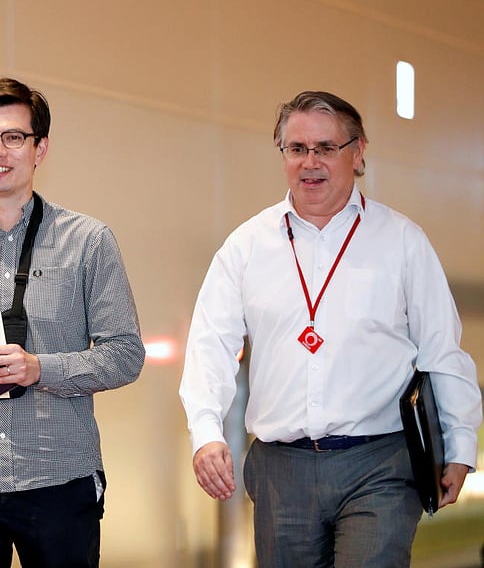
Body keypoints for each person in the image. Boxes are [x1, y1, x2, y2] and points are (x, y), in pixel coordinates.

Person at [179, 91, 482, 567]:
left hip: (379, 463)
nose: (310, 162)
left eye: (326, 148)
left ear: (357, 152)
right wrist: (206, 432)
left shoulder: (402, 241)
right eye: (296, 149)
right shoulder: (246, 246)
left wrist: (461, 442)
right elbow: (209, 345)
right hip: (281, 470)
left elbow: (441, 350)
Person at [0, 77, 145, 568]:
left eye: (14, 137)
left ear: (40, 149)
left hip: (58, 475)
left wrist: (41, 369)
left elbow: (125, 353)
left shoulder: (89, 241)